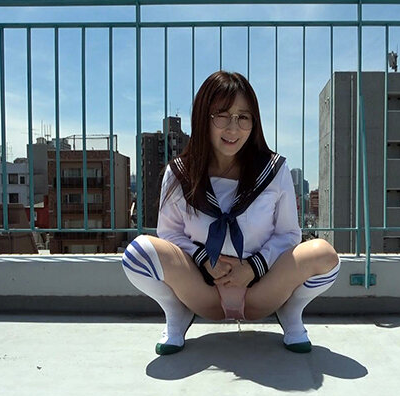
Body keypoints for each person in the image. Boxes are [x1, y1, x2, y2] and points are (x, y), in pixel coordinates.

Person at [122, 70, 340, 355]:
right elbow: (170, 234)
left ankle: (290, 311)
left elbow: (288, 234)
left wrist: (253, 268)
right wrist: (204, 260)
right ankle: (176, 312)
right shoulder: (180, 173)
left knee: (324, 255)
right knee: (137, 253)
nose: (233, 129)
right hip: (202, 289)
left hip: (262, 289)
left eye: (243, 117)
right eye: (222, 116)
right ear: (203, 118)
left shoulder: (273, 171)